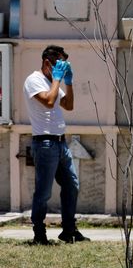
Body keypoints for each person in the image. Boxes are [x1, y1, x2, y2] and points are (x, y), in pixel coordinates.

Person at [24, 45, 89, 244]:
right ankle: (39, 234)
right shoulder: (34, 80)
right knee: (43, 192)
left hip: (61, 144)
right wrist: (58, 79)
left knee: (72, 185)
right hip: (44, 144)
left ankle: (69, 230)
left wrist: (68, 82)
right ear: (47, 62)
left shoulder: (53, 81)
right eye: (59, 63)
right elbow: (49, 101)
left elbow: (68, 105)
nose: (62, 68)